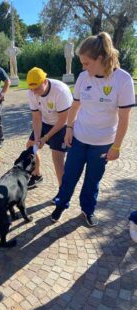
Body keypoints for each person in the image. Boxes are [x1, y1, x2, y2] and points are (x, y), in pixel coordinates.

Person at [51, 32, 135, 226]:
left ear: (100, 59)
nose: (83, 67)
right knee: (70, 175)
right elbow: (75, 106)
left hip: (103, 144)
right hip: (79, 138)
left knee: (92, 181)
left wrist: (116, 147)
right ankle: (61, 204)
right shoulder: (83, 77)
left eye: (86, 63)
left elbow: (124, 118)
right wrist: (69, 128)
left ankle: (87, 210)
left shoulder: (122, 80)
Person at [26, 67, 73, 203]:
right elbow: (36, 116)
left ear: (45, 81)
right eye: (32, 89)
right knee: (30, 146)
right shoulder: (32, 92)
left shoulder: (61, 91)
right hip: (45, 121)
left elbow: (63, 119)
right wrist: (37, 138)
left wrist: (46, 138)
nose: (35, 93)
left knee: (57, 158)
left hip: (62, 124)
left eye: (38, 88)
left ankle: (62, 193)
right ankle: (37, 174)